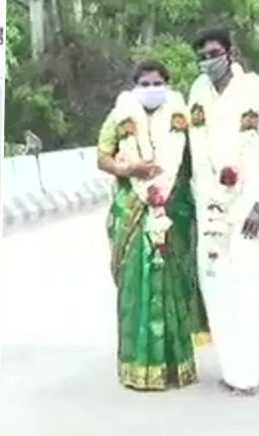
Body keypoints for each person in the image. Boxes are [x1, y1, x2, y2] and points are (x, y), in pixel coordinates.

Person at [96, 60, 206, 390]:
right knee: (135, 285)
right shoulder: (120, 115)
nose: (151, 89)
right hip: (132, 209)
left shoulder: (181, 117)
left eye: (157, 83)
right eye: (144, 84)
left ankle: (176, 366)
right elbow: (102, 157)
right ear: (134, 87)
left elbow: (195, 161)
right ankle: (137, 366)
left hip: (173, 211)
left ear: (168, 85)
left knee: (173, 283)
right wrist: (130, 170)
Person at [188, 27, 259, 396]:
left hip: (247, 203)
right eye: (202, 57)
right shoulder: (197, 92)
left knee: (244, 286)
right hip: (210, 204)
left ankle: (248, 374)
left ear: (230, 52)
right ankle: (231, 369)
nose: (208, 62)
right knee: (216, 286)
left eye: (213, 54)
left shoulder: (254, 90)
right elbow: (196, 148)